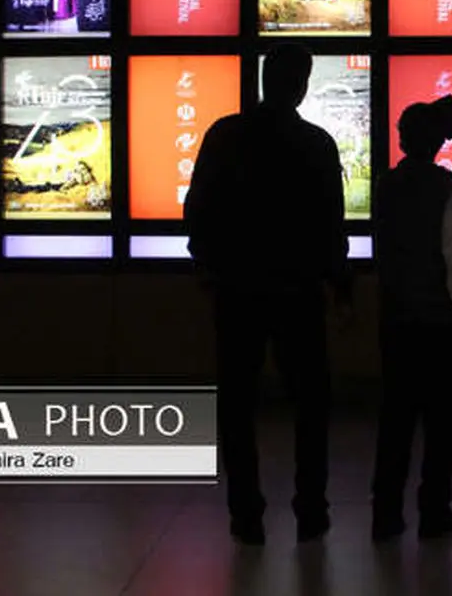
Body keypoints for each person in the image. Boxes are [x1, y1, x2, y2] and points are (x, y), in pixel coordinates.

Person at [184, 42, 353, 545]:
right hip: (298, 294)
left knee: (236, 404)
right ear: (301, 85)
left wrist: (211, 266)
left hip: (236, 293)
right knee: (311, 404)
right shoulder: (317, 145)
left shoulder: (225, 136)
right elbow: (331, 229)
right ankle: (311, 510)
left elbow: (197, 212)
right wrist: (337, 287)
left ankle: (246, 515)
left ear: (263, 81)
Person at [371, 100, 452, 542]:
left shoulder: (385, 186)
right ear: (440, 143)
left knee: (395, 420)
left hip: (397, 320)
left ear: (402, 139)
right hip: (442, 325)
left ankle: (385, 515)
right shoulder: (448, 192)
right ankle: (433, 511)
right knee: (441, 423)